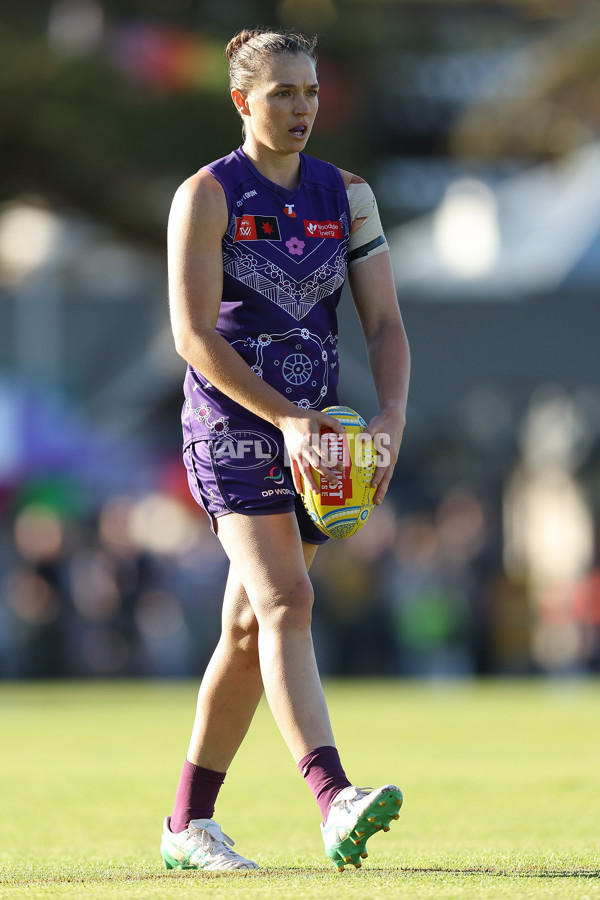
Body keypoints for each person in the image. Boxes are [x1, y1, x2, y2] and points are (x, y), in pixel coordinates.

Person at [161, 27, 410, 873]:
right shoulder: (205, 195)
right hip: (231, 428)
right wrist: (285, 417)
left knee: (247, 626)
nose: (301, 108)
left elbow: (384, 325)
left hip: (319, 438)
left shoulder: (349, 195)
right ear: (242, 101)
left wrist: (393, 419)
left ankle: (187, 823)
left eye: (309, 92)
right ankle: (333, 797)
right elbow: (193, 336)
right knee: (287, 599)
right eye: (282, 94)